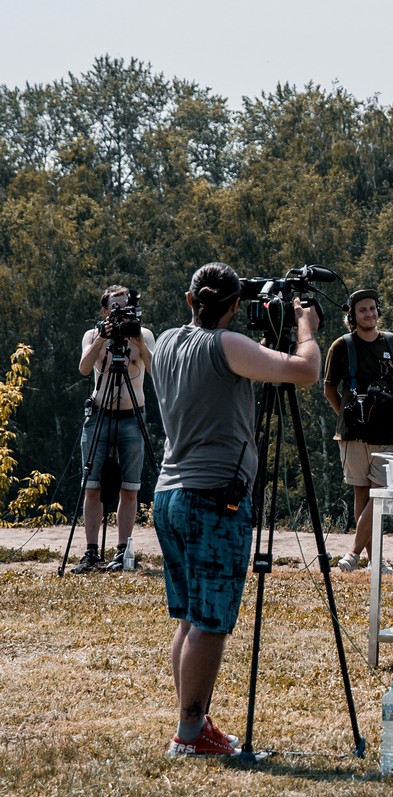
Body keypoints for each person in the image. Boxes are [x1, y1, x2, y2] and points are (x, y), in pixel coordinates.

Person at [153, 262, 320, 755]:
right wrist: (305, 330)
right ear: (234, 307)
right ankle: (189, 735)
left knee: (189, 618)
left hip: (169, 492)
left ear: (189, 300)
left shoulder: (167, 342)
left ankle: (194, 724)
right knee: (211, 621)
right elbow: (306, 371)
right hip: (213, 497)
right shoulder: (226, 345)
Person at [322, 288, 393, 573]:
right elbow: (329, 389)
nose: (369, 314)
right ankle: (376, 561)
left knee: (379, 495)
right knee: (362, 495)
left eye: (373, 308)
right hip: (354, 435)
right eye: (362, 310)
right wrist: (348, 416)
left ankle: (353, 554)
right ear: (352, 316)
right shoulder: (341, 346)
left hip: (388, 433)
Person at [72, 284, 156, 573]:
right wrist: (101, 339)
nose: (121, 313)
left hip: (133, 416)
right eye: (115, 308)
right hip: (99, 415)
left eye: (126, 306)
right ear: (105, 311)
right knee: (92, 486)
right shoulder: (92, 335)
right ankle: (91, 552)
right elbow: (84, 368)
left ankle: (123, 551)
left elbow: (155, 370)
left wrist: (139, 343)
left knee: (129, 487)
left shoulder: (143, 334)